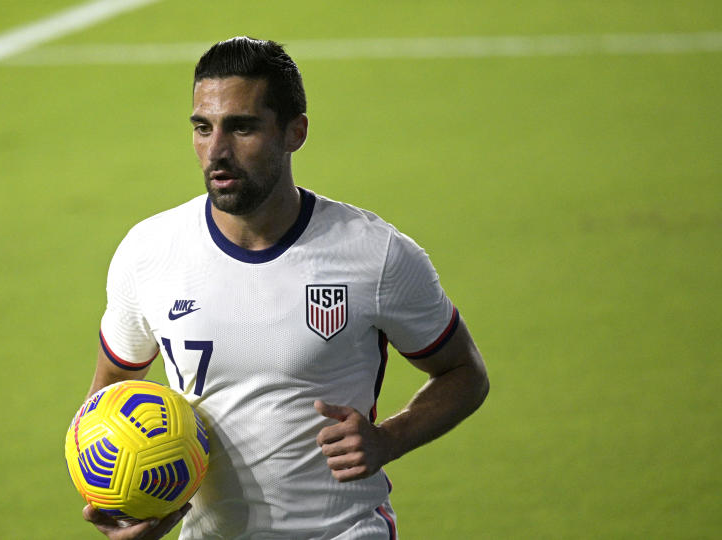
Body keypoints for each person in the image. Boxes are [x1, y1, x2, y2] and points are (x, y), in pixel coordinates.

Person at [82, 36, 489, 540]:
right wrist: (124, 505)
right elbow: (109, 395)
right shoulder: (149, 252)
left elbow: (464, 372)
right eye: (203, 128)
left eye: (242, 127)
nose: (217, 151)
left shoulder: (375, 255)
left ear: (294, 132)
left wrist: (388, 440)